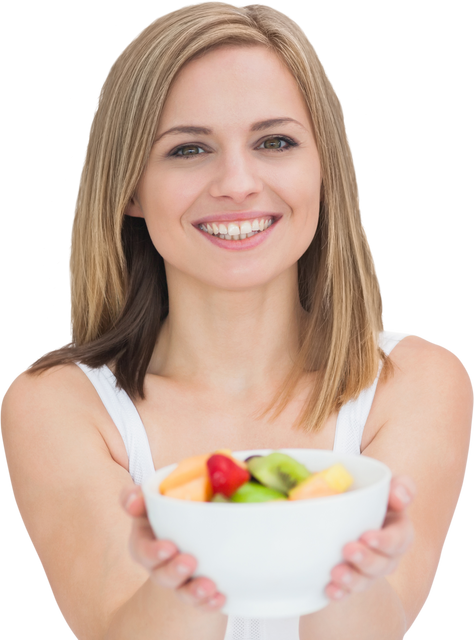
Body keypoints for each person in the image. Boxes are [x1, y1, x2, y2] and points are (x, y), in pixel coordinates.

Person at [1, 2, 472, 639]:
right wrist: (182, 589)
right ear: (130, 188)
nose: (238, 183)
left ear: (324, 167)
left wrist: (354, 582)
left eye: (274, 142)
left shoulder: (415, 382)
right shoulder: (56, 405)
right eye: (189, 149)